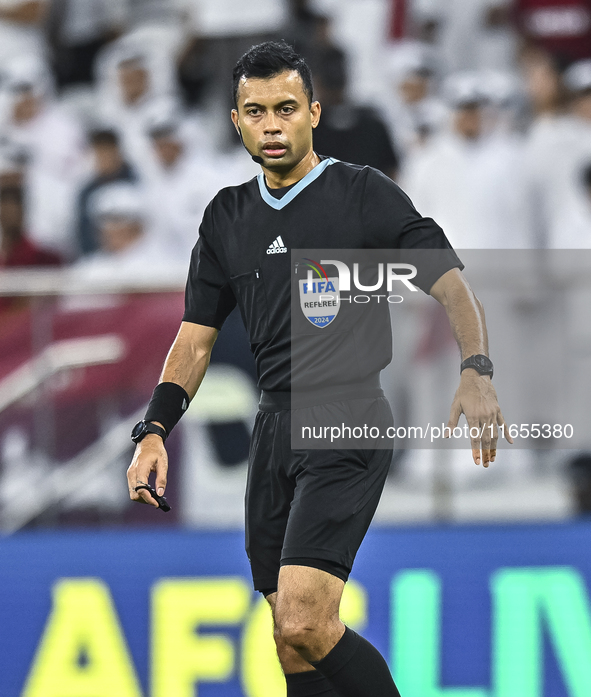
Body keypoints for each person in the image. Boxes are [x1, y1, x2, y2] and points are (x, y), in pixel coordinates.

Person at [126, 41, 511, 697]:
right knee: (287, 635)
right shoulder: (225, 216)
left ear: (312, 112)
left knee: (306, 616)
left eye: (284, 108)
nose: (271, 125)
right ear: (235, 120)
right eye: (255, 111)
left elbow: (450, 283)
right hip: (273, 425)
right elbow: (193, 342)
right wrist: (154, 429)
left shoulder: (361, 192)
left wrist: (475, 367)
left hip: (347, 417)